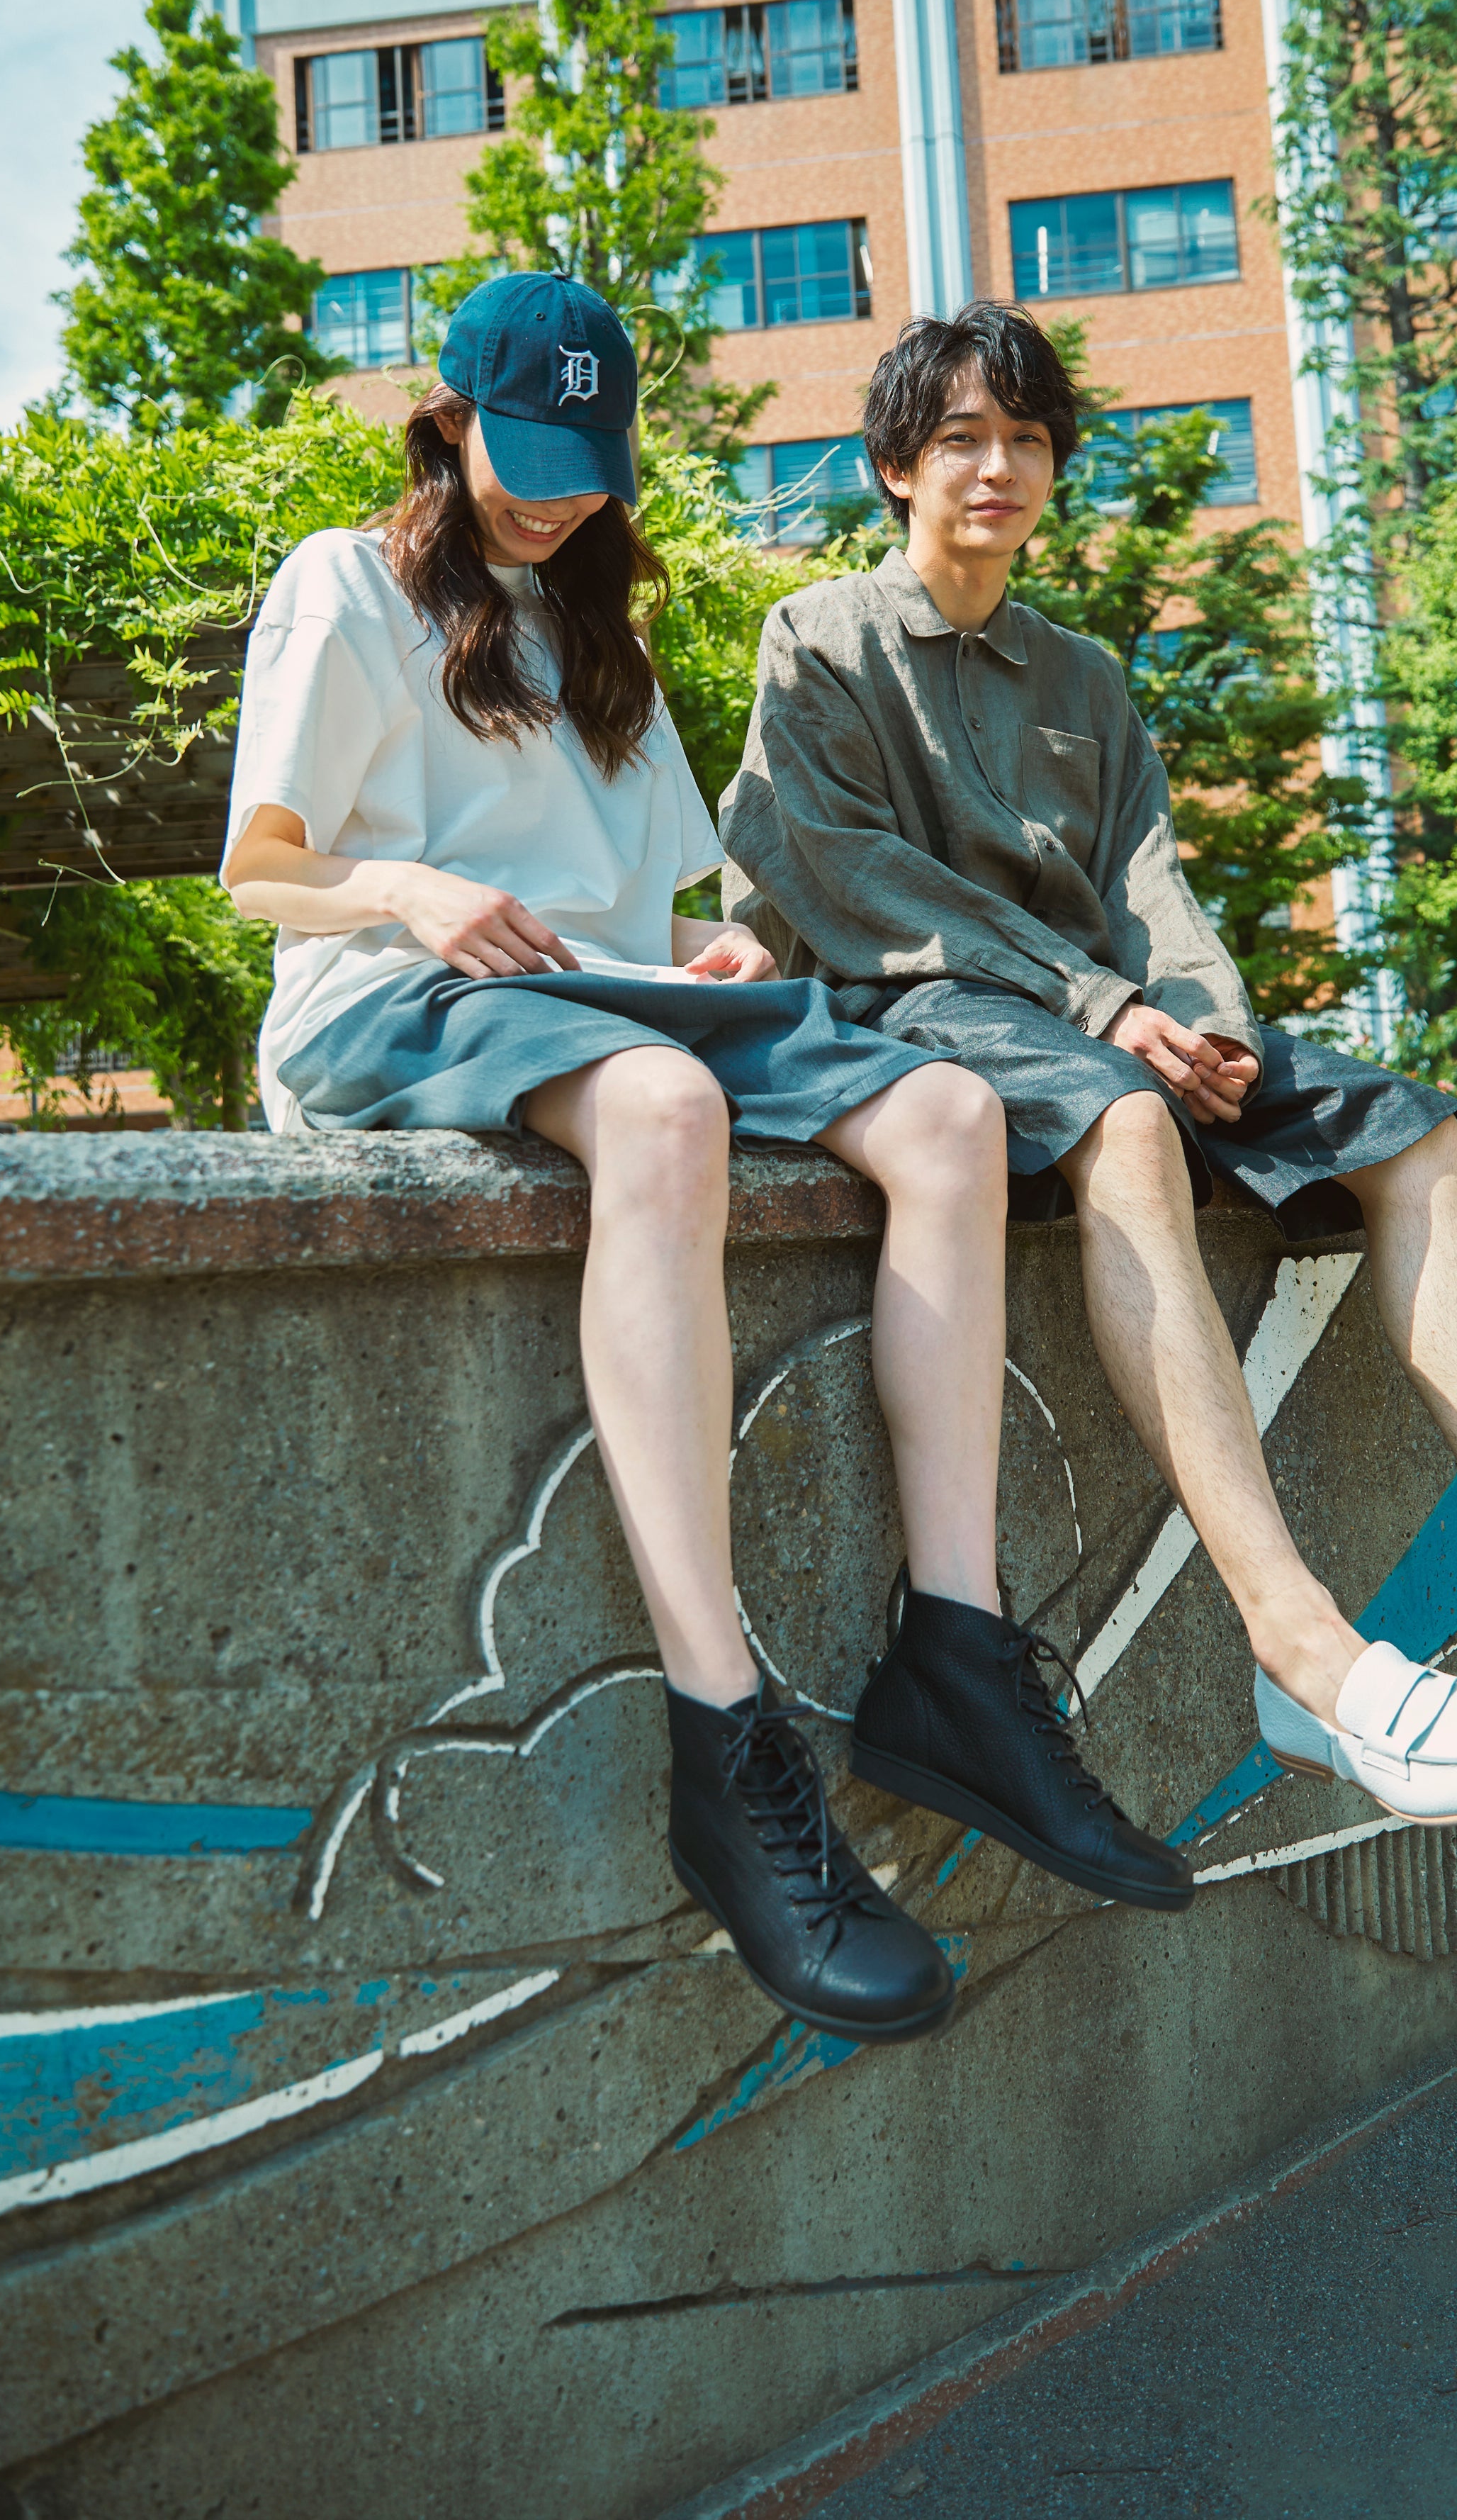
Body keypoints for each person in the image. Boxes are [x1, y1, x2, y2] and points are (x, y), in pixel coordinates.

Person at [222, 276, 1192, 2056]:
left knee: (949, 1115)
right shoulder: (342, 587)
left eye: (587, 467)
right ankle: (722, 1728)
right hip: (395, 998)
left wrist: (724, 957)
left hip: (600, 1007)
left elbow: (659, 925)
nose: (555, 496)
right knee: (663, 1111)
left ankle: (958, 1659)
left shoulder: (604, 641)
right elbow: (260, 873)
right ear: (445, 421)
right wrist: (407, 885)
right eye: (523, 457)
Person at [721, 301, 1457, 1838]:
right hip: (917, 1007)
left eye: (1025, 441)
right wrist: (1104, 1008)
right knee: (1121, 1122)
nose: (996, 468)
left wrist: (1207, 1019)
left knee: (1411, 1131)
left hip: (1103, 1006)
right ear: (893, 466)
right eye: (960, 439)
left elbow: (1150, 875)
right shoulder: (820, 636)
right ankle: (1297, 1643)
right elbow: (849, 878)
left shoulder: (1085, 677)